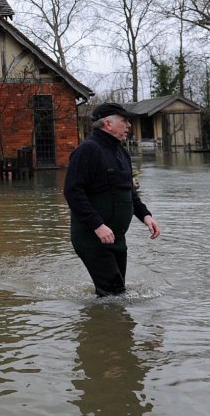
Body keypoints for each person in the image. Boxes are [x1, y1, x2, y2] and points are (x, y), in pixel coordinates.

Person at [63, 102, 161, 296]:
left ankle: (107, 323)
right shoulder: (88, 150)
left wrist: (145, 216)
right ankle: (104, 324)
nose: (129, 125)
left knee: (115, 293)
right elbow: (72, 192)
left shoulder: (121, 152)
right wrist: (97, 225)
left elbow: (128, 191)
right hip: (92, 237)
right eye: (124, 120)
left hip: (116, 237)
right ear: (108, 124)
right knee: (114, 294)